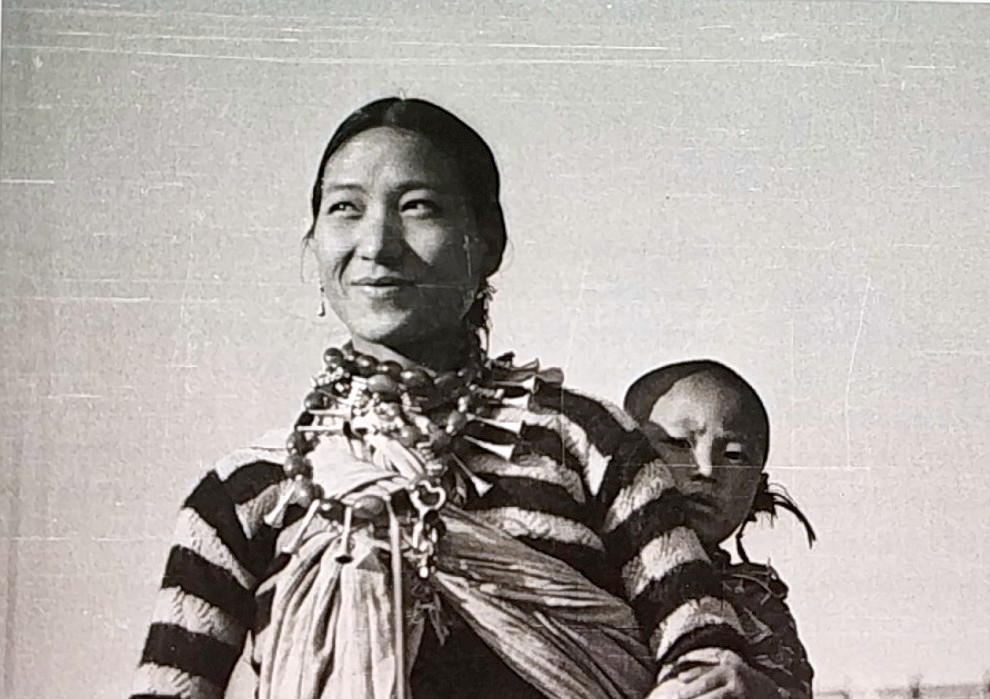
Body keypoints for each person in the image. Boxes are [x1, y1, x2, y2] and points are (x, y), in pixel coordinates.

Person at [129, 98, 753, 699]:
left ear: (487, 244)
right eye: (345, 208)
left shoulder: (586, 438)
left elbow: (704, 650)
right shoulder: (244, 493)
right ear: (313, 244)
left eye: (418, 207)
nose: (377, 244)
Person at [624, 359, 816, 699]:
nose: (707, 468)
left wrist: (755, 690)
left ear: (757, 486)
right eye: (678, 443)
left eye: (734, 455)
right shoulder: (582, 562)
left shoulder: (757, 603)